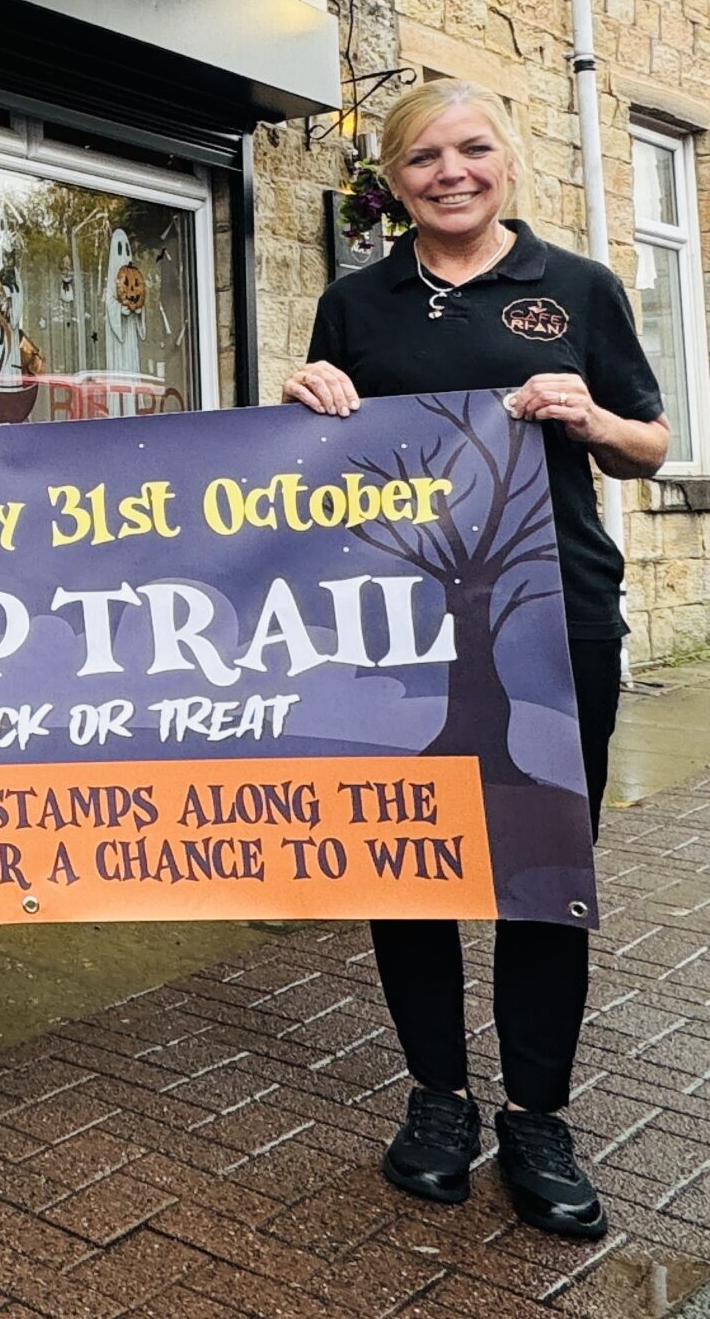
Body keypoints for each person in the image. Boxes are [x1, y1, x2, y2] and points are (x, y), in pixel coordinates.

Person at [284, 80, 666, 1239]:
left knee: (542, 861)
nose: (449, 172)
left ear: (505, 160)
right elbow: (318, 466)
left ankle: (536, 1114)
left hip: (554, 614)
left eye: (471, 149)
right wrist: (305, 400)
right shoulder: (355, 302)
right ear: (392, 181)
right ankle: (437, 1099)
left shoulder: (578, 288)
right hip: (395, 620)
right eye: (422, 158)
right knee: (405, 855)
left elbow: (649, 444)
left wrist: (592, 420)